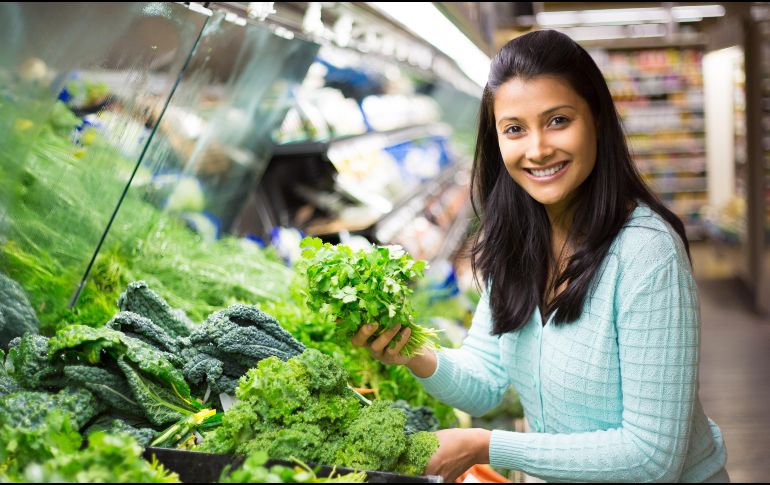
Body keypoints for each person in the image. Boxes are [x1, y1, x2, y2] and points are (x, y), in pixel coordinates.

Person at [352, 30, 729, 483]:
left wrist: (487, 445)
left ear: (596, 120)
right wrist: (410, 348)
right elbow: (486, 379)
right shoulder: (515, 239)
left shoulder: (647, 253)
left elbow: (651, 457)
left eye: (557, 121)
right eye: (514, 129)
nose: (537, 150)